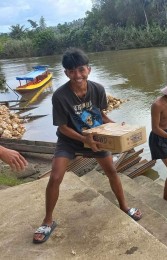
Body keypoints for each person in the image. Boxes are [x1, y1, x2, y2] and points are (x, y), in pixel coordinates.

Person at [33, 48, 142, 244]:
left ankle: (124, 206)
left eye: (81, 70)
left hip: (96, 139)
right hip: (70, 141)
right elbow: (63, 127)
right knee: (55, 177)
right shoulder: (60, 96)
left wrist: (117, 127)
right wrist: (84, 140)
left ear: (89, 69)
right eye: (72, 71)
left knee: (111, 172)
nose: (78, 75)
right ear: (66, 73)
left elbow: (101, 116)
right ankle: (48, 221)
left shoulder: (98, 89)